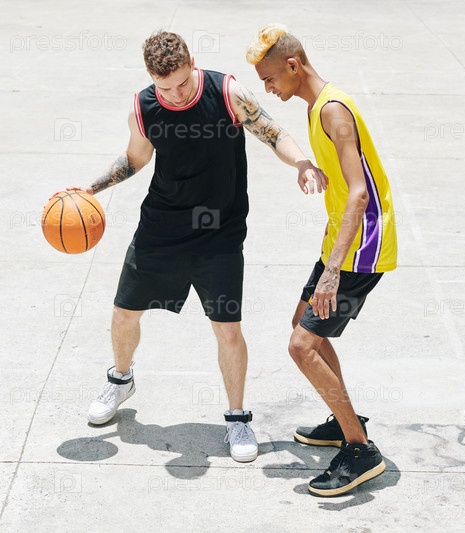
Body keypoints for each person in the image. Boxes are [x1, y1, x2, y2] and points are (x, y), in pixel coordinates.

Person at [69, 30, 326, 463]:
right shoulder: (143, 106)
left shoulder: (227, 92)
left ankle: (237, 418)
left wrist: (302, 162)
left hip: (219, 233)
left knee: (227, 329)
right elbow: (136, 158)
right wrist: (92, 188)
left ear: (193, 64)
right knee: (124, 313)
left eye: (182, 83)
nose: (175, 94)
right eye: (164, 88)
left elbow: (272, 132)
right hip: (161, 227)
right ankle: (120, 379)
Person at [246, 24, 398, 494]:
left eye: (270, 78)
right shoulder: (317, 106)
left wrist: (333, 271)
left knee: (301, 346)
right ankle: (344, 419)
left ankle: (360, 449)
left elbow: (359, 194)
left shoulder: (333, 110)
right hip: (340, 241)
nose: (268, 89)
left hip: (362, 249)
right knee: (303, 324)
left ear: (293, 65)